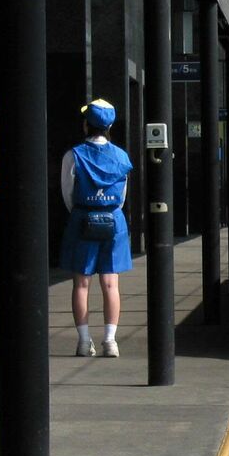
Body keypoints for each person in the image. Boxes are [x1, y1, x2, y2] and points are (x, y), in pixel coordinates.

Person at [60, 99, 134, 358]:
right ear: (110, 125)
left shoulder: (74, 154)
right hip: (114, 221)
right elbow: (122, 197)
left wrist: (83, 210)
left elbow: (67, 194)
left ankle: (83, 341)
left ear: (85, 125)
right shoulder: (122, 157)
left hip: (82, 218)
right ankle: (111, 341)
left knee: (81, 284)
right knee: (111, 284)